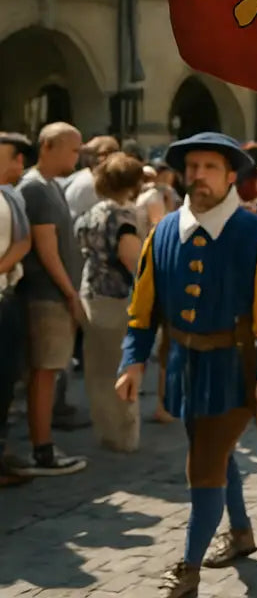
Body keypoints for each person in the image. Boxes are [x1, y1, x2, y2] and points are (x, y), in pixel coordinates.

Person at [116, 132, 257, 597]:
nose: (198, 176)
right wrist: (133, 360)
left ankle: (188, 570)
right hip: (183, 366)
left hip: (234, 367)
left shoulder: (256, 235)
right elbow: (143, 309)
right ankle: (241, 533)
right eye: (192, 167)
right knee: (215, 452)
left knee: (203, 466)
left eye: (210, 167)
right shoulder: (162, 233)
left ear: (231, 175)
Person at [17, 122, 88, 475]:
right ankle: (42, 449)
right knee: (44, 371)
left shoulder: (51, 187)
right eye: (73, 149)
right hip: (46, 296)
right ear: (48, 147)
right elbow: (46, 250)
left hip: (54, 295)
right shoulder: (35, 189)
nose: (78, 156)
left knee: (48, 371)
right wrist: (70, 293)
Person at [74, 151, 146, 452]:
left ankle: (105, 430)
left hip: (90, 292)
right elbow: (132, 258)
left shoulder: (91, 213)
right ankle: (123, 436)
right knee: (121, 367)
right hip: (117, 297)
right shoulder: (123, 217)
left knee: (97, 368)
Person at [0, 132, 35, 487]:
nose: (19, 164)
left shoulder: (8, 196)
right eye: (14, 157)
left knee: (6, 380)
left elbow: (23, 243)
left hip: (6, 296)